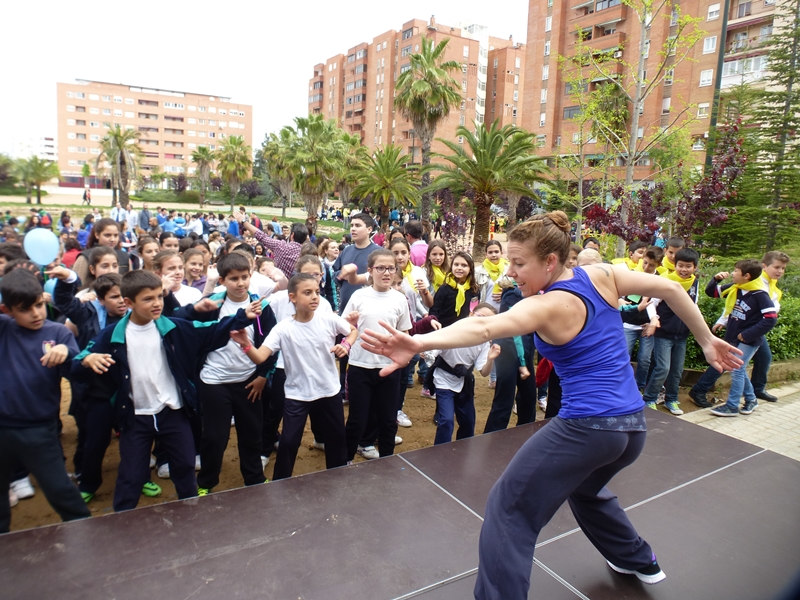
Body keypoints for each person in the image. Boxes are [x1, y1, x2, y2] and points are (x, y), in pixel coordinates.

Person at [359, 211, 742, 599]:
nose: (511, 271)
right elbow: (672, 289)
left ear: (550, 262)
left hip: (587, 429)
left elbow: (484, 326)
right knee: (587, 489)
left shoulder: (547, 305)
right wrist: (707, 340)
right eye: (510, 262)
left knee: (509, 510)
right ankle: (638, 559)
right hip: (631, 429)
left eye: (519, 263)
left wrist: (420, 343)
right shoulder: (601, 276)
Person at [72, 270, 261, 511]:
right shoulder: (112, 335)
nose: (157, 303)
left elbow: (210, 329)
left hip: (172, 412)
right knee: (131, 475)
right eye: (148, 299)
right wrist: (87, 360)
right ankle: (121, 525)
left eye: (159, 297)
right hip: (136, 417)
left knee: (184, 467)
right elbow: (79, 361)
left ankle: (190, 513)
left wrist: (241, 317)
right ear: (129, 303)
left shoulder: (173, 327)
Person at [231, 273, 356, 479]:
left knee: (336, 437)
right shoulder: (283, 329)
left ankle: (338, 477)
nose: (315, 296)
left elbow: (352, 330)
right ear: (293, 297)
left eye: (317, 291)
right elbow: (261, 356)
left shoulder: (329, 318)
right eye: (307, 293)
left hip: (329, 391)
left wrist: (346, 344)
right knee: (289, 442)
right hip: (297, 394)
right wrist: (245, 344)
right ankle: (281, 482)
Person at [179, 253, 278, 494]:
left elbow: (272, 343)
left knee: (251, 433)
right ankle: (206, 482)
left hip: (248, 382)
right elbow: (183, 324)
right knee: (214, 437)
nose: (240, 283)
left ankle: (254, 477)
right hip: (214, 382)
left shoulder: (262, 307)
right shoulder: (212, 304)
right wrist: (195, 309)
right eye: (234, 278)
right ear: (222, 280)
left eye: (245, 277)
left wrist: (262, 376)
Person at [0, 269, 90, 532]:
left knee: (59, 487)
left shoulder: (58, 333)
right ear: (7, 310)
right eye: (25, 309)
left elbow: (77, 368)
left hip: (38, 429)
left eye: (39, 305)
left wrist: (66, 351)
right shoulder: (4, 328)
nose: (36, 313)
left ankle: (86, 535)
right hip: (1, 427)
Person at [342, 249, 411, 461]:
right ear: (370, 271)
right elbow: (344, 327)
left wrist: (403, 359)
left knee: (388, 419)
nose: (386, 273)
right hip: (360, 366)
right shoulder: (359, 295)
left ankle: (387, 460)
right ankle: (345, 459)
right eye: (380, 268)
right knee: (357, 418)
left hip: (388, 368)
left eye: (391, 268)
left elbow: (405, 332)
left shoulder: (399, 299)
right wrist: (350, 323)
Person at [689, 260, 777, 416]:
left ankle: (732, 405)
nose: (733, 273)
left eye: (736, 271)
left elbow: (770, 318)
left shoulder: (759, 294)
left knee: (736, 369)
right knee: (738, 369)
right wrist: (716, 279)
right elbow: (712, 292)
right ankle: (751, 399)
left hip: (748, 340)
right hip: (734, 337)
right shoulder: (736, 288)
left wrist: (748, 334)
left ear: (747, 276)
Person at [641, 247, 701, 415]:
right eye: (680, 265)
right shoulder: (666, 281)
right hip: (664, 334)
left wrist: (699, 327)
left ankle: (672, 399)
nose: (684, 269)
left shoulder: (694, 282)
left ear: (694, 267)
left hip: (681, 334)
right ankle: (649, 398)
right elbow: (652, 303)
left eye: (688, 266)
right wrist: (654, 319)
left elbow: (693, 306)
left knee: (677, 370)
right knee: (663, 368)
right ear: (675, 265)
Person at [431, 302, 501, 444]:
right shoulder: (453, 330)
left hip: (464, 383)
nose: (481, 322)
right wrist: (427, 354)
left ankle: (463, 453)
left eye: (487, 320)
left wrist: (490, 360)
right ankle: (439, 454)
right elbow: (433, 351)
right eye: (480, 316)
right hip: (443, 380)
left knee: (468, 422)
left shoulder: (483, 341)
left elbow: (484, 372)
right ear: (471, 314)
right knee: (446, 420)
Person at [751, 251, 790, 401]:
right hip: (752, 326)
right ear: (764, 266)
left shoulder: (771, 283)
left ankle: (757, 389)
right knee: (736, 360)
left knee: (763, 358)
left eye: (783, 268)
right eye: (777, 267)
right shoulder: (759, 283)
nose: (780, 271)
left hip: (759, 327)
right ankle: (700, 389)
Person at [237, 213, 305, 279]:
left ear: (292, 235)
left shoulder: (281, 246)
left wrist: (243, 221)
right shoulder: (307, 254)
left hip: (277, 286)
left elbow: (261, 236)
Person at [429, 251, 480, 328]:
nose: (459, 268)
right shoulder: (444, 288)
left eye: (464, 265)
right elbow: (434, 311)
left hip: (464, 330)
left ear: (471, 269)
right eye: (456, 264)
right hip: (444, 330)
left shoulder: (474, 290)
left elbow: (474, 311)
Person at [475, 240, 510, 312]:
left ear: (501, 253)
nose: (493, 255)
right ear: (486, 254)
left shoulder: (510, 270)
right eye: (490, 252)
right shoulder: (477, 271)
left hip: (504, 312)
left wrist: (505, 295)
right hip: (485, 313)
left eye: (496, 252)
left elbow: (517, 289)